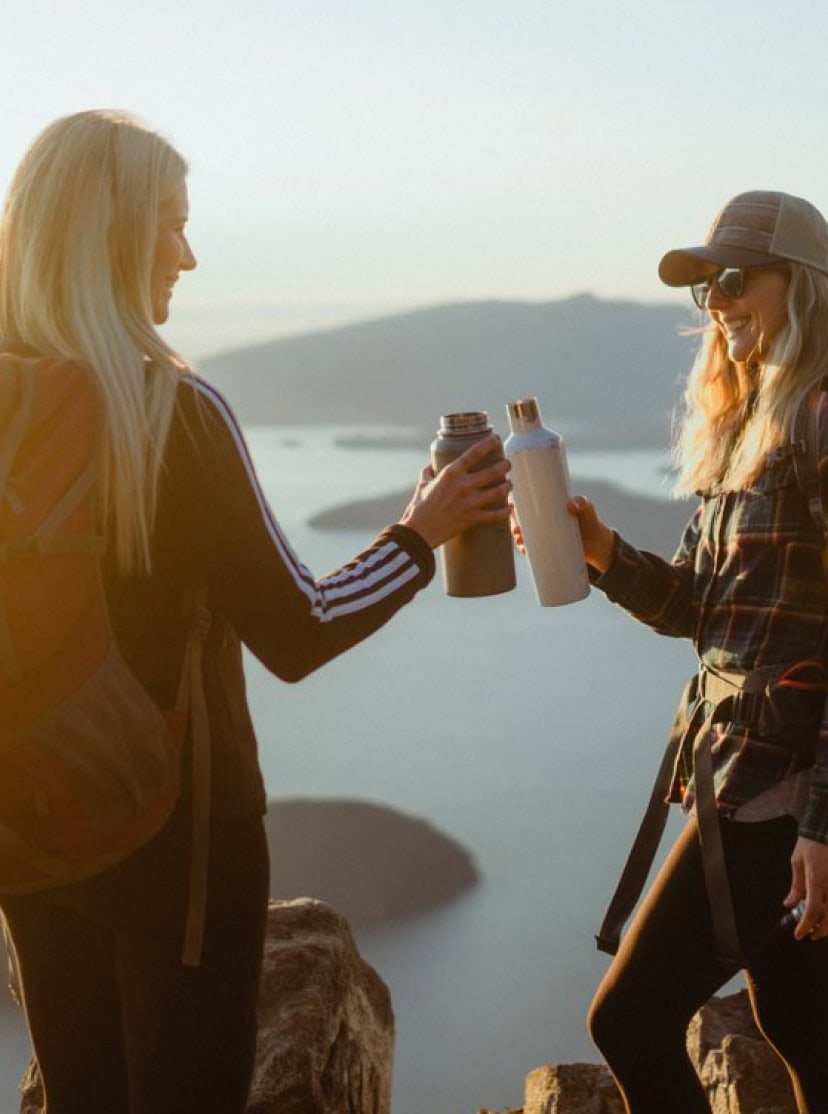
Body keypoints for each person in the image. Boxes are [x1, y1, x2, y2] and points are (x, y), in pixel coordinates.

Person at [0, 109, 512, 1114]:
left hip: (30, 822)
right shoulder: (170, 415)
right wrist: (422, 531)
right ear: (111, 235)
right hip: (178, 841)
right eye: (170, 224)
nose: (187, 256)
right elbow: (300, 627)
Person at [569, 192, 828, 1114]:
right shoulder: (750, 429)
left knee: (630, 1022)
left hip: (783, 791)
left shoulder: (817, 420)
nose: (714, 303)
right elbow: (699, 610)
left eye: (731, 279)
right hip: (736, 773)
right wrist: (602, 554)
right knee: (804, 1025)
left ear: (800, 286)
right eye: (703, 290)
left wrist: (822, 827)